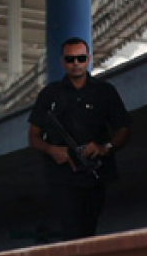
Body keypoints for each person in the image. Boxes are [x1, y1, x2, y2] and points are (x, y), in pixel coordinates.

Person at [27, 38, 132, 240]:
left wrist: (103, 148)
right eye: (70, 59)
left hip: (95, 175)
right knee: (71, 228)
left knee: (88, 227)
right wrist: (52, 150)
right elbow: (33, 136)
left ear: (89, 59)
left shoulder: (105, 92)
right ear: (63, 61)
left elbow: (124, 129)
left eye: (81, 58)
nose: (76, 63)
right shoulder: (50, 94)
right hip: (62, 177)